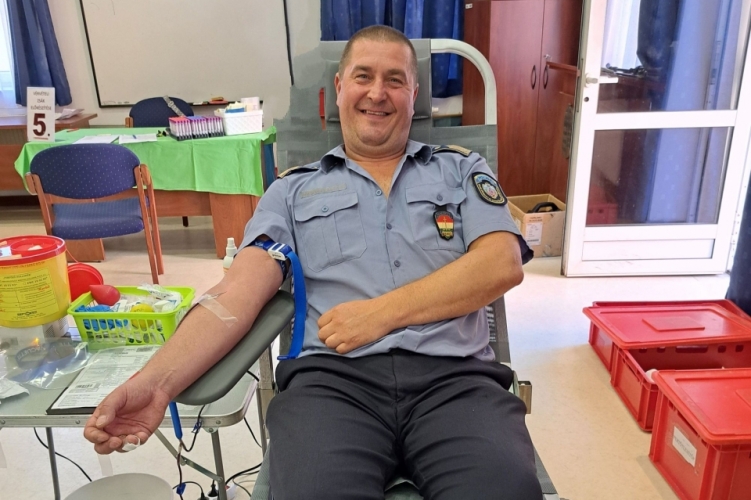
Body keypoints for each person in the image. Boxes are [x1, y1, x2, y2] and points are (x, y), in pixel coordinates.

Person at [84, 25, 541, 499]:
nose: (377, 93)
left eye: (395, 80)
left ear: (414, 94)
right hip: (333, 386)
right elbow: (235, 294)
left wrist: (380, 314)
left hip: (456, 382)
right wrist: (155, 383)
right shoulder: (291, 190)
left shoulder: (462, 169)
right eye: (363, 76)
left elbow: (500, 264)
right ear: (339, 88)